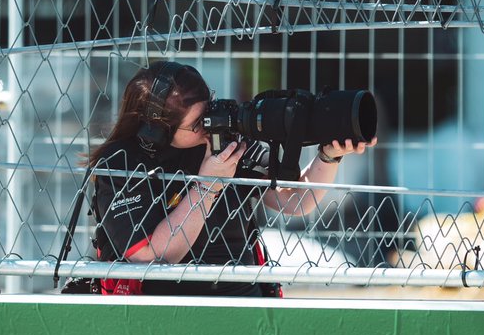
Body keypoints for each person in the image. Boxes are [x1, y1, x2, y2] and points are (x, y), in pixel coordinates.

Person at [87, 61, 375, 296]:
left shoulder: (226, 141)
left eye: (209, 108)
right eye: (198, 124)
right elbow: (147, 256)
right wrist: (208, 185)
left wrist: (328, 155)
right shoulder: (123, 160)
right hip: (164, 308)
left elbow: (294, 201)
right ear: (157, 131)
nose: (210, 126)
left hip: (242, 298)